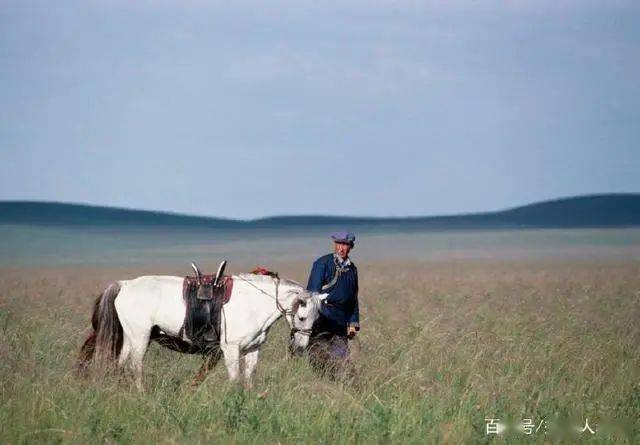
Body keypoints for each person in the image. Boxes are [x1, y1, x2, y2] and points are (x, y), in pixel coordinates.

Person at [306, 231, 359, 377]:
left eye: (345, 245)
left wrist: (353, 322)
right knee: (319, 360)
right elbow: (312, 295)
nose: (342, 248)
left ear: (351, 247)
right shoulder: (322, 263)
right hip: (322, 320)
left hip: (341, 323)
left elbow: (353, 298)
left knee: (342, 361)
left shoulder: (352, 269)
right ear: (335, 245)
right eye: (339, 244)